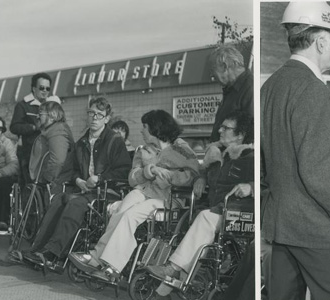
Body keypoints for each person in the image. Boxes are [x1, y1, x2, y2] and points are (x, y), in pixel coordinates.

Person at [261, 2, 330, 299]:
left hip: (283, 228)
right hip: (317, 230)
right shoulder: (312, 88)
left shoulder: (272, 85)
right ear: (320, 42)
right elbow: (318, 173)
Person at [69, 110, 199, 282]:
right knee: (120, 212)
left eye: (144, 127)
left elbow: (192, 175)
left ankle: (112, 267)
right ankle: (96, 257)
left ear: (155, 128)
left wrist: (167, 175)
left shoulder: (180, 149)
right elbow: (132, 178)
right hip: (143, 191)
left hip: (167, 198)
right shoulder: (143, 151)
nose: (141, 131)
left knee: (130, 215)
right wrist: (149, 170)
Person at [145, 110, 254, 298]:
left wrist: (251, 186)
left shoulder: (250, 157)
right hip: (217, 210)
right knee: (194, 223)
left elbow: (266, 182)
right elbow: (203, 172)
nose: (220, 130)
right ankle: (169, 288)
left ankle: (172, 269)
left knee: (204, 219)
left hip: (240, 213)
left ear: (240, 134)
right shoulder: (215, 155)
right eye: (221, 126)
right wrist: (201, 178)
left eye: (226, 128)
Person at [26, 97, 131, 265]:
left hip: (106, 193)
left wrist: (100, 178)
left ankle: (52, 253)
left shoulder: (114, 140)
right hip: (85, 190)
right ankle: (37, 248)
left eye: (99, 114)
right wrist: (78, 180)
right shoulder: (82, 142)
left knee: (76, 204)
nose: (94, 118)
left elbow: (124, 170)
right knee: (59, 199)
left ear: (107, 118)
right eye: (91, 113)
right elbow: (72, 170)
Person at [10, 72, 57, 186]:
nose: (45, 91)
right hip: (29, 153)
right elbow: (14, 127)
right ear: (34, 88)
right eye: (41, 87)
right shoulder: (23, 105)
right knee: (29, 186)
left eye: (47, 88)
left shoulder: (52, 105)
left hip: (48, 153)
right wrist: (34, 127)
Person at [208, 45, 253, 142]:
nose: (211, 76)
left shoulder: (250, 89)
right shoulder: (231, 91)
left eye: (212, 70)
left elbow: (252, 135)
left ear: (224, 67)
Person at [28, 101, 74, 194]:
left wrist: (45, 179)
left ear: (52, 116)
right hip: (51, 181)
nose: (37, 116)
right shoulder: (52, 130)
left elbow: (57, 160)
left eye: (40, 113)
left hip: (54, 183)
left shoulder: (57, 132)